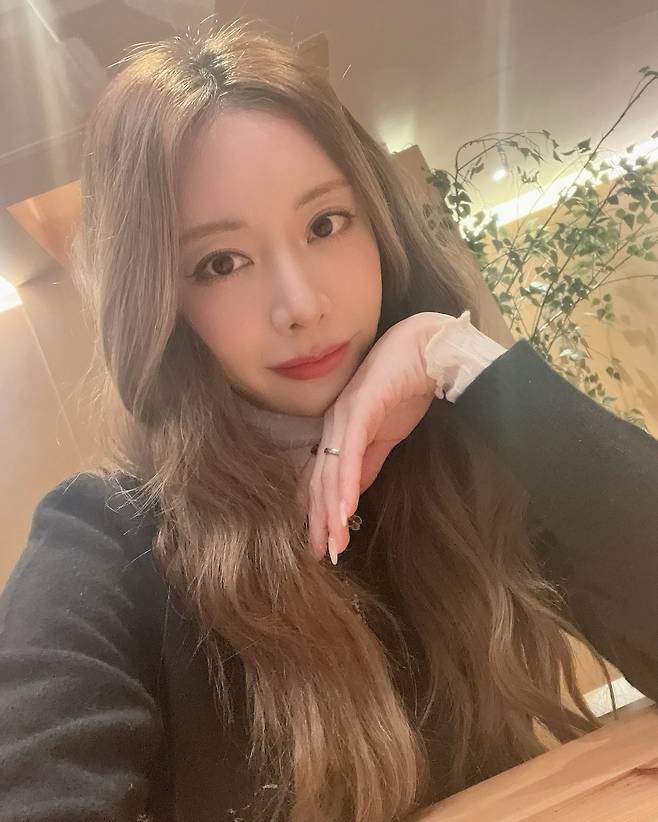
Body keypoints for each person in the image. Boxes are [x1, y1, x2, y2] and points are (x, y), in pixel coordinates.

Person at [1, 18, 657, 822]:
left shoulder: (463, 457)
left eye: (325, 224)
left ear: (378, 225)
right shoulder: (108, 540)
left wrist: (461, 359)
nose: (301, 304)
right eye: (220, 263)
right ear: (164, 305)